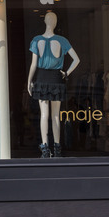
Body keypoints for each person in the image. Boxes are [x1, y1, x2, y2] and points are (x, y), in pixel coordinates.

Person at [27, 12, 80, 158]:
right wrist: (66, 72)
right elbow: (76, 60)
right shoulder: (62, 40)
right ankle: (57, 149)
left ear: (44, 21)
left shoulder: (36, 41)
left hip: (41, 78)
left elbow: (33, 65)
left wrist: (29, 82)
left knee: (44, 115)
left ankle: (45, 149)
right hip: (56, 79)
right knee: (55, 116)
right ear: (55, 23)